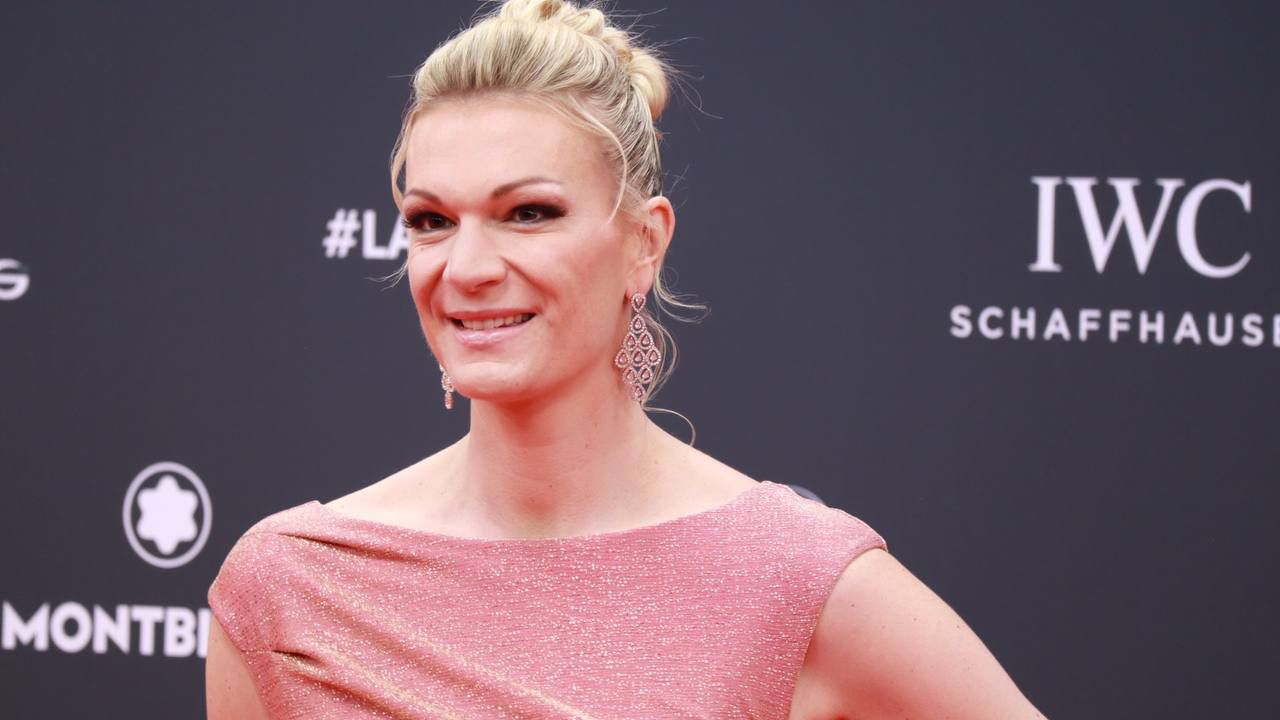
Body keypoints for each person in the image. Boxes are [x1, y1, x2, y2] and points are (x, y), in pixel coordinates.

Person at [205, 1, 1048, 717]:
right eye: (432, 221)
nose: (466, 267)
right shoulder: (291, 586)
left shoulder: (793, 578)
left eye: (528, 213)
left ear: (644, 243)